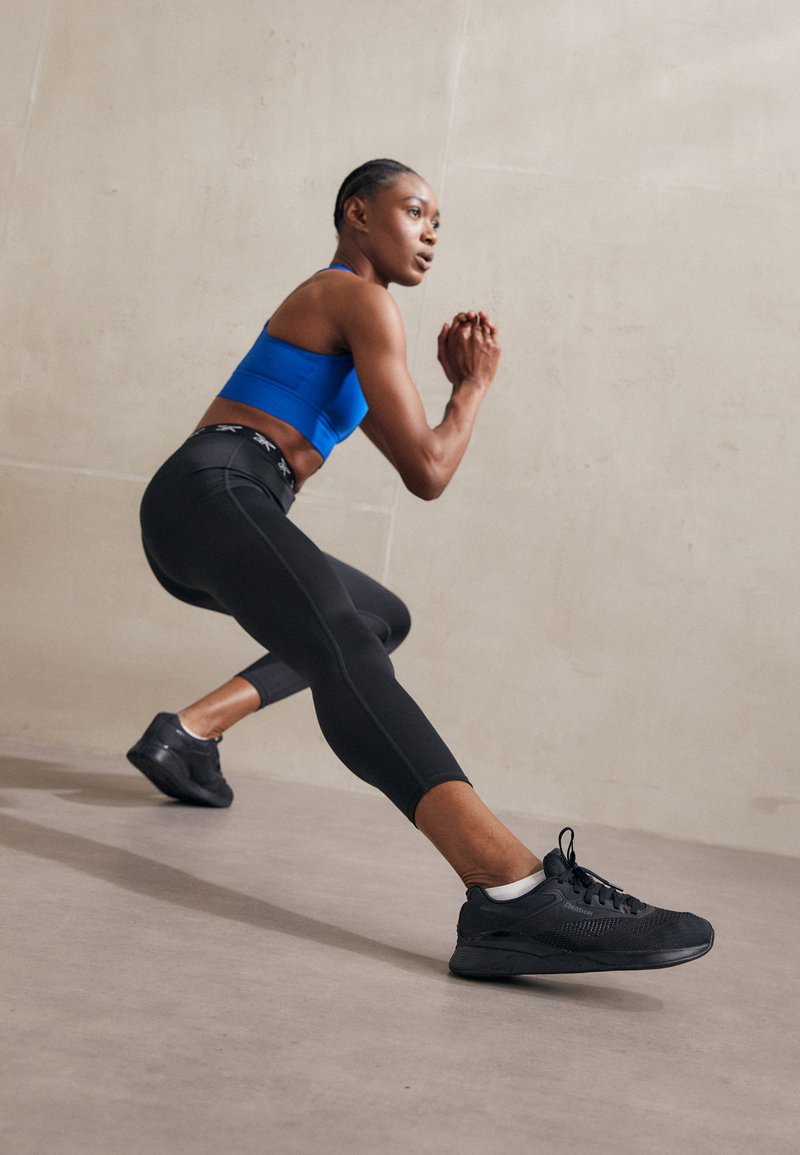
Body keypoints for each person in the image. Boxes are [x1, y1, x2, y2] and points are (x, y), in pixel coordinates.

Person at [127, 159, 713, 977]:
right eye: (414, 211)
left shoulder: (352, 321)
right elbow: (432, 473)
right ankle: (513, 891)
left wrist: (454, 393)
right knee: (344, 643)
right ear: (358, 214)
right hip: (217, 486)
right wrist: (474, 387)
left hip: (203, 508)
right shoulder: (356, 297)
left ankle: (189, 733)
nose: (431, 232)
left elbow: (420, 458)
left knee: (374, 618)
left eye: (439, 220)